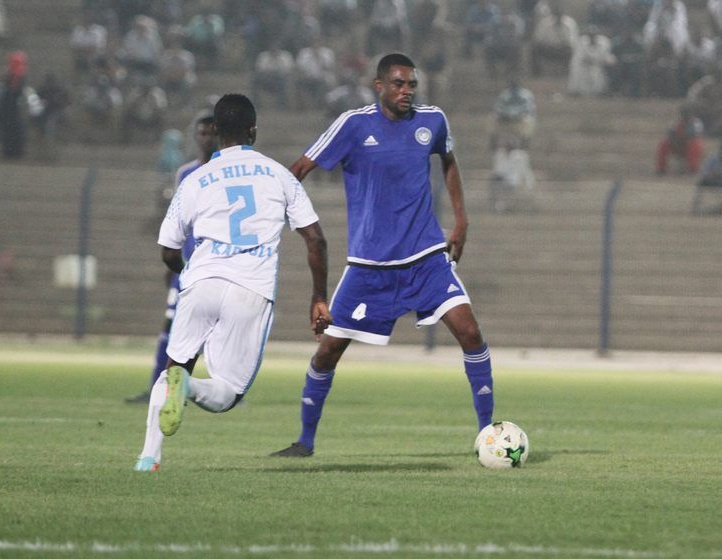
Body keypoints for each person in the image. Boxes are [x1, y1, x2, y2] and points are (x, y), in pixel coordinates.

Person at [271, 53, 494, 458]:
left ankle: (487, 436)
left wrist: (461, 221)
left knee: (471, 333)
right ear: (379, 86)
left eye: (411, 84)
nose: (406, 91)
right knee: (327, 352)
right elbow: (300, 168)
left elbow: (449, 162)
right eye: (398, 84)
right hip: (369, 268)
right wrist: (272, 210)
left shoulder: (433, 121)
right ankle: (304, 441)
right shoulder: (353, 125)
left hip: (426, 258)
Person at [133, 94, 330, 471]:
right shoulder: (278, 174)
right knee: (227, 393)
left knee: (175, 365)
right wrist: (318, 296)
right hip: (249, 289)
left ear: (217, 131)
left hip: (201, 281)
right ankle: (186, 387)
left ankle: (148, 458)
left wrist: (187, 269)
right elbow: (315, 239)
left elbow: (168, 250)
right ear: (253, 131)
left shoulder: (196, 179)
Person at [125, 114, 216, 404]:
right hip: (186, 265)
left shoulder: (227, 171)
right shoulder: (185, 173)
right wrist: (171, 258)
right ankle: (157, 386)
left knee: (217, 329)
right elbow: (179, 219)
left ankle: (225, 388)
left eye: (209, 133)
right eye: (200, 133)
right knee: (171, 325)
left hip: (215, 264)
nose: (204, 138)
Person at [656, 106, 703, 175]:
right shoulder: (675, 122)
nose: (685, 115)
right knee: (664, 143)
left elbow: (692, 136)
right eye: (683, 113)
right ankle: (661, 168)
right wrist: (675, 142)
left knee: (695, 143)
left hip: (690, 147)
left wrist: (681, 141)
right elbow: (670, 135)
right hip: (677, 145)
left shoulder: (697, 123)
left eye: (687, 113)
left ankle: (693, 168)